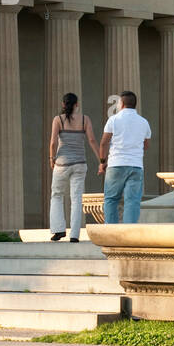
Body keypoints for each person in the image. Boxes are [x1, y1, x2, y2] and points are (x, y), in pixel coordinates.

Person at [48, 93, 99, 241]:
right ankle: (74, 235)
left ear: (63, 104)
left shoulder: (58, 120)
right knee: (76, 199)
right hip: (80, 163)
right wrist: (101, 160)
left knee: (57, 195)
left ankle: (58, 230)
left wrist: (52, 159)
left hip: (62, 163)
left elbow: (53, 143)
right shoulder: (85, 119)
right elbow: (91, 140)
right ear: (77, 104)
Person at [99, 91, 151, 224]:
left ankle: (111, 231)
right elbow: (146, 145)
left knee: (111, 199)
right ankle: (128, 232)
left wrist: (102, 162)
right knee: (132, 201)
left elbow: (104, 142)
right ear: (135, 105)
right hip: (136, 165)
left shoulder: (114, 120)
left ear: (121, 104)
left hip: (116, 164)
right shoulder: (144, 122)